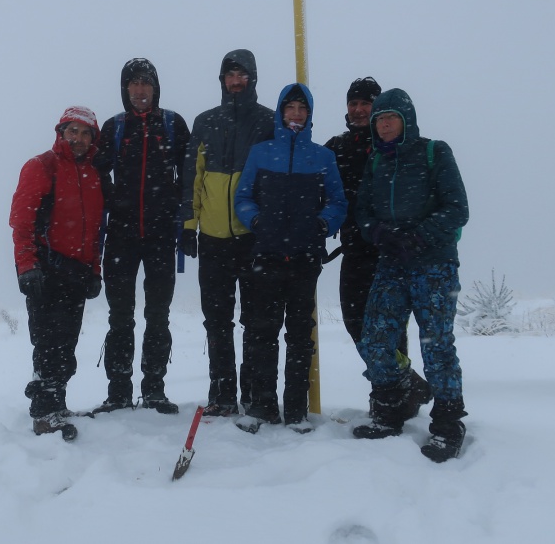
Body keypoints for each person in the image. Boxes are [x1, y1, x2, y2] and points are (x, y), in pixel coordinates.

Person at [351, 88, 469, 462]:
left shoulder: (435, 152)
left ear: (407, 121)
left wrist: (419, 236)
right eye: (379, 120)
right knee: (374, 338)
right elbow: (362, 211)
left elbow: (457, 208)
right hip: (391, 264)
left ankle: (448, 425)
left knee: (436, 344)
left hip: (434, 264)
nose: (385, 125)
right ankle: (390, 411)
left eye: (391, 118)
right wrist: (379, 233)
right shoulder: (376, 161)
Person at [233, 83, 347, 434]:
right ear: (281, 112)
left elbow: (337, 202)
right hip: (266, 256)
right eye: (290, 107)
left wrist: (322, 225)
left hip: (304, 259)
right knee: (262, 332)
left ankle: (296, 411)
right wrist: (255, 221)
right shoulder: (261, 153)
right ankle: (263, 406)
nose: (296, 114)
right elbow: (243, 197)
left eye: (302, 108)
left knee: (299, 336)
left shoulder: (322, 157)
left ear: (309, 114)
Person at [324, 77, 431, 413]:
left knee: (390, 327)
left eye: (365, 103)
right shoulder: (336, 147)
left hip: (393, 252)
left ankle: (390, 401)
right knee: (356, 325)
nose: (358, 109)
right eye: (353, 103)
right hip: (354, 250)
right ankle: (404, 380)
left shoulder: (392, 145)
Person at [91, 58, 191, 416]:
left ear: (155, 87)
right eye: (133, 83)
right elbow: (96, 172)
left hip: (161, 235)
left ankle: (154, 390)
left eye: (145, 82)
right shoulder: (115, 127)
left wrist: (181, 214)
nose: (139, 89)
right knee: (120, 316)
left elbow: (189, 174)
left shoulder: (173, 125)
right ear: (125, 89)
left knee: (158, 315)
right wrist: (114, 199)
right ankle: (118, 392)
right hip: (122, 235)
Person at [180, 49, 274, 417]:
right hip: (213, 239)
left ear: (252, 78)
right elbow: (192, 177)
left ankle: (251, 393)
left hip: (253, 238)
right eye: (229, 75)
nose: (235, 81)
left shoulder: (268, 121)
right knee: (217, 321)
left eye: (241, 75)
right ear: (222, 80)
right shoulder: (205, 122)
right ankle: (222, 393)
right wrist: (188, 226)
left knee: (255, 320)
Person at [9, 106, 105, 441]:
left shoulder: (93, 174)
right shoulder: (41, 166)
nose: (78, 138)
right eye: (73, 131)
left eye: (85, 133)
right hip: (46, 269)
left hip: (77, 272)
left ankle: (57, 404)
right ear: (61, 132)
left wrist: (95, 270)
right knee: (48, 343)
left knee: (66, 344)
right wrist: (27, 266)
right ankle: (43, 413)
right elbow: (21, 222)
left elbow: (95, 229)